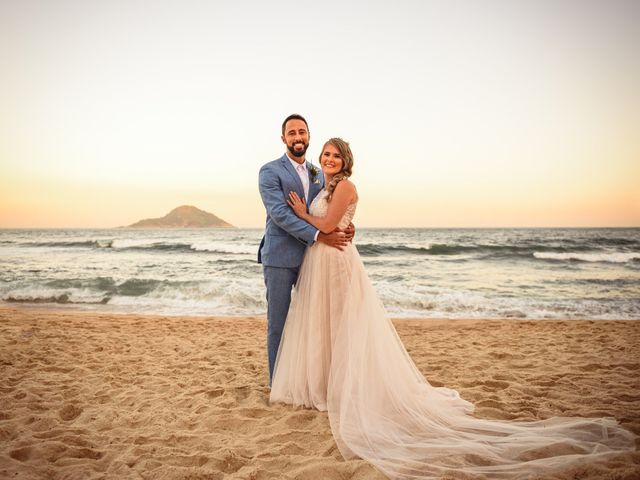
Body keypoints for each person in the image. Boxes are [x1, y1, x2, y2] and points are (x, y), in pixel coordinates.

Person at [269, 137, 636, 479]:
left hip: (336, 262)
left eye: (335, 155)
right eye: (326, 154)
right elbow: (337, 220)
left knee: (342, 325)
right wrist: (326, 218)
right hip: (321, 260)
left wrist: (304, 213)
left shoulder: (345, 185)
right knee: (324, 325)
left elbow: (331, 224)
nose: (329, 159)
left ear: (345, 161)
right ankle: (323, 386)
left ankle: (344, 389)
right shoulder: (322, 185)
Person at [258, 114, 354, 385]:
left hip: (313, 260)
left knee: (312, 323)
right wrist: (318, 236)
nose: (297, 137)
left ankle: (308, 380)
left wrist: (348, 224)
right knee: (278, 324)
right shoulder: (270, 171)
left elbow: (329, 205)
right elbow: (279, 214)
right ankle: (277, 383)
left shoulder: (318, 172)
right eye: (292, 133)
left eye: (302, 132)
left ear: (309, 136)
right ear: (283, 139)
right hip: (280, 257)